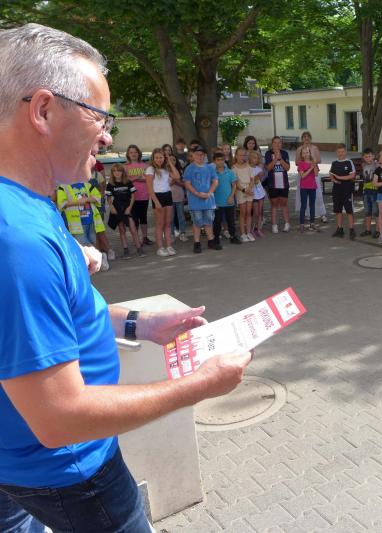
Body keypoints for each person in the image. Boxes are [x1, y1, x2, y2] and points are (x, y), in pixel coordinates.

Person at [0, 23, 251, 533]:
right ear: (43, 110)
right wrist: (199, 385)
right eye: (99, 116)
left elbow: (60, 316)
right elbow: (61, 417)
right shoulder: (18, 239)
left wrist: (141, 324)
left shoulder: (27, 205)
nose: (109, 136)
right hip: (70, 471)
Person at [183, 146, 219, 253]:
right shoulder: (189, 168)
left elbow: (215, 181)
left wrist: (209, 193)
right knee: (197, 222)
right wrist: (197, 194)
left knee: (209, 221)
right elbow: (187, 184)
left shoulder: (209, 168)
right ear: (193, 155)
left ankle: (211, 241)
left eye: (202, 154)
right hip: (195, 201)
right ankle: (197, 243)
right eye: (197, 154)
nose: (200, 156)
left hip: (208, 201)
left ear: (205, 156)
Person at [145, 147, 178, 257]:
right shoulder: (150, 169)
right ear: (153, 158)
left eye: (161, 157)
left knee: (168, 223)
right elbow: (150, 188)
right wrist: (156, 202)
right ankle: (160, 247)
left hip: (167, 195)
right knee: (160, 224)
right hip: (157, 196)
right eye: (157, 157)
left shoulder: (166, 168)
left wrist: (169, 162)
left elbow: (177, 176)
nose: (159, 159)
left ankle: (169, 246)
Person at [106, 164, 144, 259]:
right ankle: (126, 250)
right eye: (114, 171)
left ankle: (139, 248)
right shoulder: (110, 184)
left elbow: (133, 196)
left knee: (133, 229)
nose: (117, 173)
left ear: (123, 172)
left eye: (119, 171)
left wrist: (129, 208)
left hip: (128, 207)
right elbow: (109, 199)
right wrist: (112, 208)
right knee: (122, 229)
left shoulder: (128, 182)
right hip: (117, 208)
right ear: (112, 173)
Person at [294, 131, 326, 223]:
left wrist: (312, 161)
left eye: (308, 136)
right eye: (304, 137)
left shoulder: (315, 148)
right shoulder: (299, 149)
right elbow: (296, 162)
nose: (306, 138)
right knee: (304, 196)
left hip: (314, 172)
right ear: (302, 139)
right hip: (303, 174)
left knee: (318, 194)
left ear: (310, 138)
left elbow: (319, 160)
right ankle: (307, 214)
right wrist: (304, 161)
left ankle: (322, 214)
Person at [212, 151, 241, 247]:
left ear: (224, 160)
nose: (220, 162)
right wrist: (213, 201)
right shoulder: (212, 173)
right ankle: (216, 238)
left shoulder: (230, 172)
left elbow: (234, 185)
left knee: (231, 221)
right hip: (217, 202)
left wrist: (231, 197)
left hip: (229, 201)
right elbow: (210, 187)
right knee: (217, 221)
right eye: (218, 160)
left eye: (222, 160)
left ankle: (233, 236)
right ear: (214, 161)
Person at [124, 144, 151, 245]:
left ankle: (145, 237)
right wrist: (137, 178)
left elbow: (148, 179)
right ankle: (137, 239)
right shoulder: (125, 167)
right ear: (128, 154)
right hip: (132, 197)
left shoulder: (144, 165)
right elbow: (125, 181)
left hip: (144, 195)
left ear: (139, 153)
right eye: (131, 152)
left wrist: (134, 178)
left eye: (135, 152)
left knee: (143, 217)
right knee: (134, 218)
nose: (133, 154)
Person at [263, 136, 291, 234]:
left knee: (284, 204)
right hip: (272, 183)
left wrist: (280, 159)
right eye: (275, 142)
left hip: (284, 183)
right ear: (272, 144)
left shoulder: (285, 153)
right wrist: (275, 159)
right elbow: (268, 168)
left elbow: (287, 168)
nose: (277, 144)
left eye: (279, 142)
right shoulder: (268, 153)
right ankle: (274, 225)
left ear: (281, 144)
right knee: (274, 204)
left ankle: (287, 224)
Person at [329, 144, 357, 239]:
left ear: (345, 152)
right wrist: (333, 179)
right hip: (336, 190)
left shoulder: (349, 162)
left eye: (342, 151)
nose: (341, 153)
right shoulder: (334, 163)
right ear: (336, 152)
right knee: (338, 210)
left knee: (349, 210)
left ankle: (351, 229)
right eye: (339, 152)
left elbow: (352, 175)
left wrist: (340, 178)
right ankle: (339, 229)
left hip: (347, 189)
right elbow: (331, 173)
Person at [232, 147, 254, 241]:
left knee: (249, 212)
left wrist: (249, 188)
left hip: (249, 190)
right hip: (241, 191)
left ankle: (248, 232)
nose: (242, 157)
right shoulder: (234, 168)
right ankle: (243, 233)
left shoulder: (248, 166)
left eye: (244, 155)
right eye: (240, 155)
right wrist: (244, 190)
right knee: (243, 212)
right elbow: (236, 183)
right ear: (236, 156)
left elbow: (252, 179)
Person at [297, 145, 320, 233]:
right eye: (304, 153)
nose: (306, 154)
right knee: (303, 205)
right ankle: (301, 224)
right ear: (301, 155)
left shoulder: (313, 162)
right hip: (304, 187)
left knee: (312, 205)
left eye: (307, 152)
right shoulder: (301, 163)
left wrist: (314, 165)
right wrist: (311, 168)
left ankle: (312, 223)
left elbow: (316, 174)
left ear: (310, 153)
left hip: (312, 187)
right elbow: (303, 176)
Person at [359, 148, 379, 237]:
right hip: (366, 191)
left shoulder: (376, 165)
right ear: (363, 157)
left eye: (370, 156)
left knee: (376, 211)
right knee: (367, 211)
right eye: (366, 157)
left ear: (373, 156)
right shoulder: (364, 165)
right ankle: (368, 230)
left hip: (375, 191)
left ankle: (378, 230)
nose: (368, 158)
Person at [249, 150, 266, 238]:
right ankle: (251, 230)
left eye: (256, 158)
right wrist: (255, 177)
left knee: (259, 213)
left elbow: (261, 180)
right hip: (253, 194)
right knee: (255, 213)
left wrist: (260, 175)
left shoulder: (259, 169)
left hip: (260, 193)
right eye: (253, 158)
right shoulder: (247, 169)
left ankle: (258, 230)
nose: (255, 159)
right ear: (249, 158)